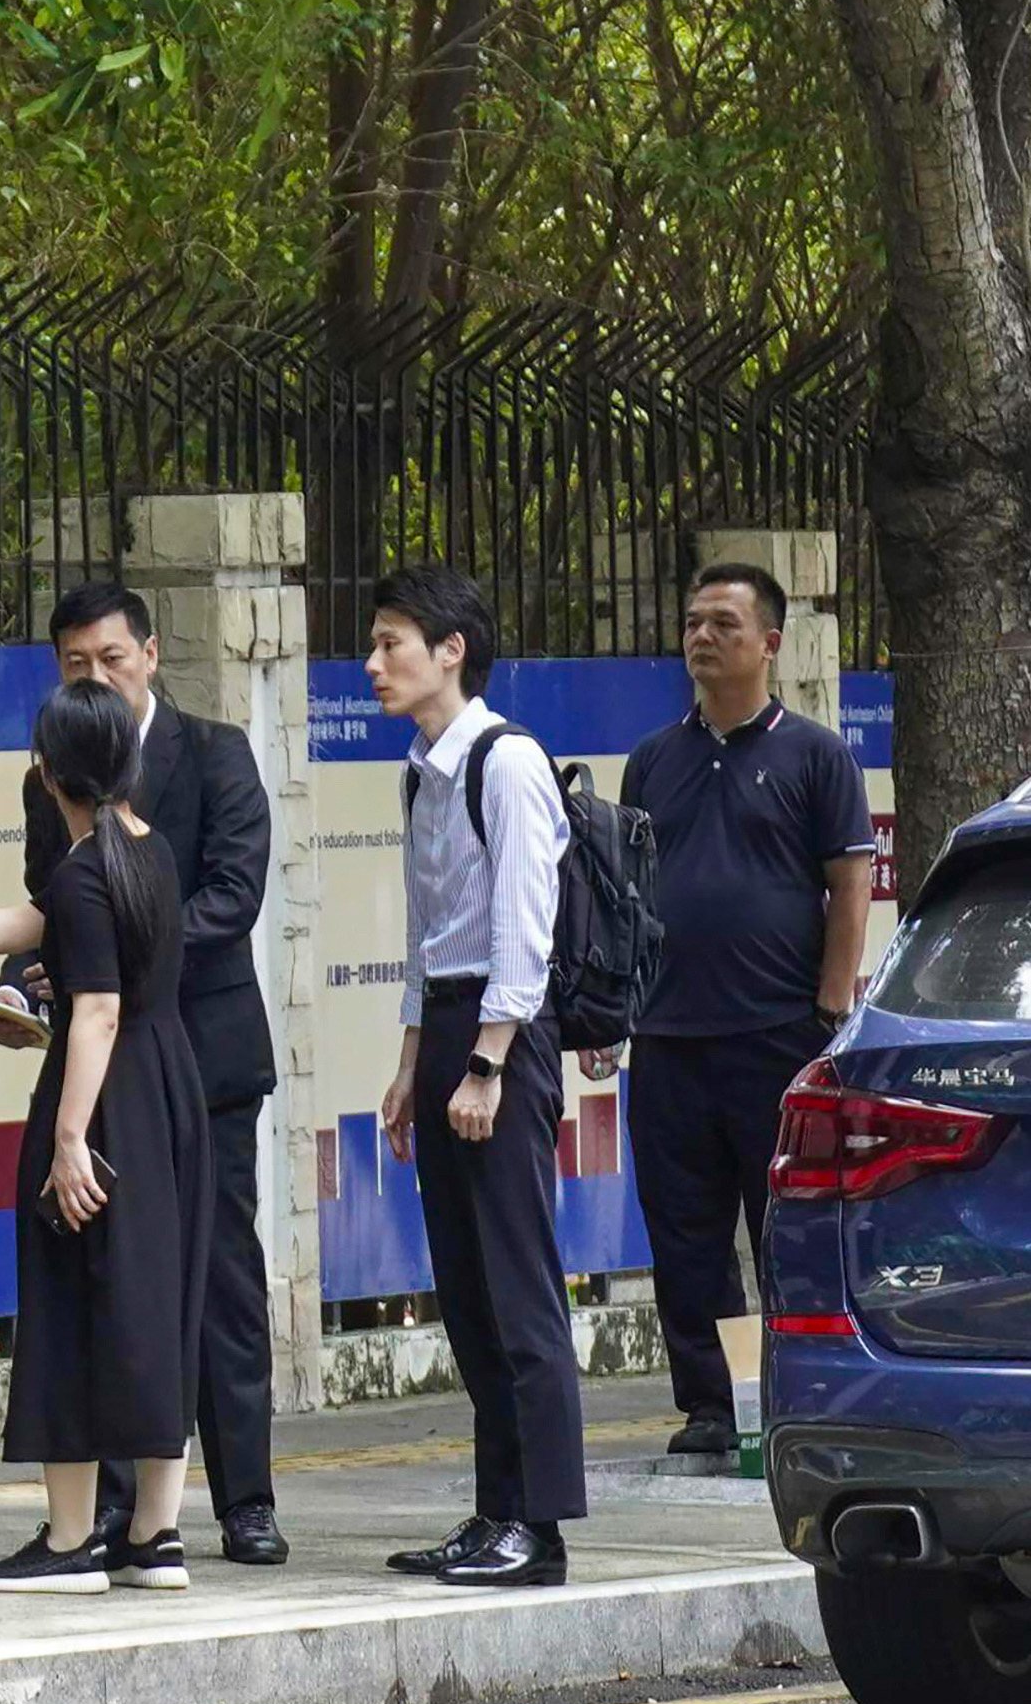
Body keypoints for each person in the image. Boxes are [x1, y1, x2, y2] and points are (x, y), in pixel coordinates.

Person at [3, 583, 285, 1566]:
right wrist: (21, 990)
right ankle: (123, 1523)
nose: (95, 677)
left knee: (218, 1286)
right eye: (75, 663)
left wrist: (118, 961)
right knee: (107, 1285)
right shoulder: (49, 778)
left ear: (151, 654)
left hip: (201, 1057)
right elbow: (52, 906)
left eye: (110, 659)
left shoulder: (215, 754)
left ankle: (245, 1500)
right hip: (102, 1060)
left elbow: (230, 898)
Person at [0, 683, 216, 1595]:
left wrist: (67, 1138)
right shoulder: (149, 852)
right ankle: (154, 1537)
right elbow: (40, 921)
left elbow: (93, 1010)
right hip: (170, 1089)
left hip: (105, 1095)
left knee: (69, 1302)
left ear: (49, 771)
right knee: (156, 1301)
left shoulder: (80, 869)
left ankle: (70, 1542)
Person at [614, 562, 875, 1455]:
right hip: (669, 1036)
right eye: (692, 621)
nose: (702, 636)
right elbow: (630, 896)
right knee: (686, 1239)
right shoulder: (655, 760)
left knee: (786, 1232)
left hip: (778, 1037)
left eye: (723, 623)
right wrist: (616, 1008)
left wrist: (834, 1003)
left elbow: (850, 883)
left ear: (769, 643)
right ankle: (718, 1406)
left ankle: (802, 1398)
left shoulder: (814, 754)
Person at [371, 564, 584, 1591]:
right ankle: (493, 1507)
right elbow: (426, 934)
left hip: (504, 1031)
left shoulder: (507, 762)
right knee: (465, 1289)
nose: (373, 665)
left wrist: (488, 1064)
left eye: (391, 644)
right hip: (454, 1024)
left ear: (450, 649)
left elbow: (519, 930)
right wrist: (415, 1061)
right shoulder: (421, 769)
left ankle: (536, 1525)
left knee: (516, 1283)